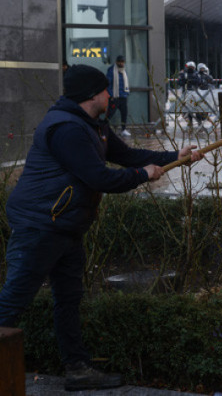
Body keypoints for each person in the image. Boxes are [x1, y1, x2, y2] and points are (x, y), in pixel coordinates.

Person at [0, 65, 202, 391]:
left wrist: (170, 156)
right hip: (40, 225)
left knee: (68, 299)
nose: (111, 94)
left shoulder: (95, 126)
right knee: (13, 301)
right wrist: (142, 176)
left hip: (65, 225)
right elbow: (99, 177)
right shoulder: (66, 129)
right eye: (106, 90)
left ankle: (77, 369)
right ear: (92, 95)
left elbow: (128, 155)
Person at [106, 55, 131, 137]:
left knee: (124, 114)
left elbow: (125, 84)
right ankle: (103, 127)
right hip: (115, 97)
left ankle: (123, 129)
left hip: (123, 97)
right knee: (110, 114)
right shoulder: (111, 70)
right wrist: (110, 95)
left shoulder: (124, 71)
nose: (121, 63)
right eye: (120, 61)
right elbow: (108, 84)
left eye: (123, 62)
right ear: (116, 62)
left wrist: (126, 94)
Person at [178, 61, 202, 128]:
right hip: (186, 94)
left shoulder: (196, 74)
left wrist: (190, 81)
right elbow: (179, 82)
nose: (191, 68)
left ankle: (199, 123)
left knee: (197, 110)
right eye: (189, 67)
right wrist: (185, 81)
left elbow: (199, 82)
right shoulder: (184, 74)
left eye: (192, 67)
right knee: (189, 110)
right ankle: (190, 123)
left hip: (195, 94)